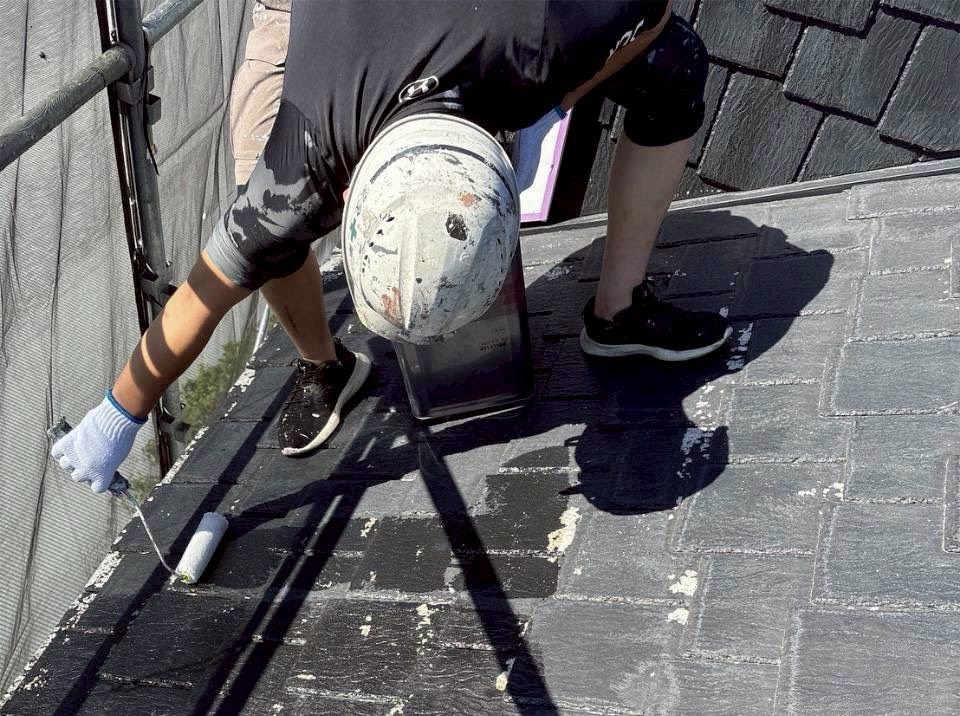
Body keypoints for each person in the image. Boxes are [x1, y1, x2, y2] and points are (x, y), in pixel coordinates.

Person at [52, 0, 730, 492]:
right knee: (261, 212)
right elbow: (205, 292)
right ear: (345, 195)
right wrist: (116, 415)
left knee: (677, 61)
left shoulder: (545, 35)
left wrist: (554, 105)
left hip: (492, 29)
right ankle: (326, 365)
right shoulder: (303, 159)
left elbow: (652, 14)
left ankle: (618, 313)